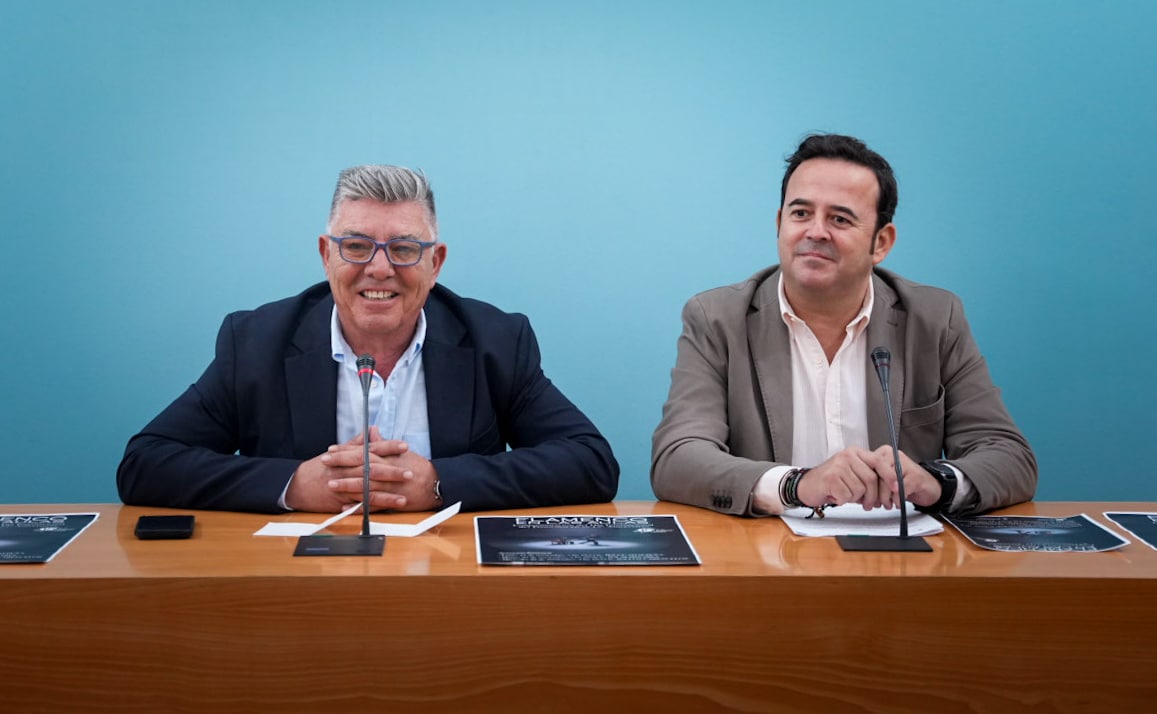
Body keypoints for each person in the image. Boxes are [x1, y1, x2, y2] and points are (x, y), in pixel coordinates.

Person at [118, 165, 619, 513]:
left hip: (450, 587)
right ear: (326, 254)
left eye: (403, 248)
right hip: (297, 590)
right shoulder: (255, 342)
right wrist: (294, 486)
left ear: (435, 262)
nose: (379, 268)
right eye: (356, 246)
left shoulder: (495, 339)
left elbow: (590, 462)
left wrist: (440, 483)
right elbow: (146, 464)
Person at [651, 133, 1036, 517]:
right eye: (801, 214)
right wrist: (797, 485)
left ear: (881, 243)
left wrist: (934, 482)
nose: (815, 232)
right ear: (779, 223)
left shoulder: (935, 318)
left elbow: (1008, 456)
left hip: (898, 564)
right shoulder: (717, 318)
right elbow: (678, 458)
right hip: (767, 561)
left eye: (839, 218)